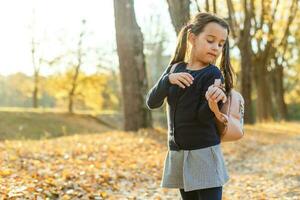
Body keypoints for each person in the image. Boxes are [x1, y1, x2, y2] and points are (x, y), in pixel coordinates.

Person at [145, 12, 235, 200]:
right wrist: (167, 80)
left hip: (204, 153)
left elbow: (203, 118)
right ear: (193, 38)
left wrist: (212, 103)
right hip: (179, 152)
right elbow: (152, 102)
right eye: (210, 40)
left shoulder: (212, 73)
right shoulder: (175, 69)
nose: (216, 48)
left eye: (221, 44)